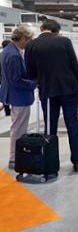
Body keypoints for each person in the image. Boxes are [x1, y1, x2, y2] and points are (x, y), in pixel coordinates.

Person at [25, 19, 78, 172]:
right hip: (69, 89)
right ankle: (76, 161)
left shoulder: (31, 45)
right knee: (72, 126)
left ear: (41, 28)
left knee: (50, 128)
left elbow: (30, 72)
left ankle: (51, 162)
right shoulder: (64, 42)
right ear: (56, 31)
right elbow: (74, 66)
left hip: (47, 91)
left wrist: (40, 81)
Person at [0, 26, 37, 169]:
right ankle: (15, 159)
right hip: (18, 96)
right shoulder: (13, 55)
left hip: (15, 95)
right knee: (19, 128)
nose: (29, 43)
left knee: (18, 127)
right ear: (22, 38)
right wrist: (34, 83)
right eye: (28, 40)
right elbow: (16, 80)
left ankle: (17, 156)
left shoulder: (8, 51)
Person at [0, 40, 12, 116]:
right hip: (6, 78)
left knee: (5, 94)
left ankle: (7, 110)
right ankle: (8, 110)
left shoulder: (1, 54)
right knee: (8, 93)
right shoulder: (8, 54)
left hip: (2, 78)